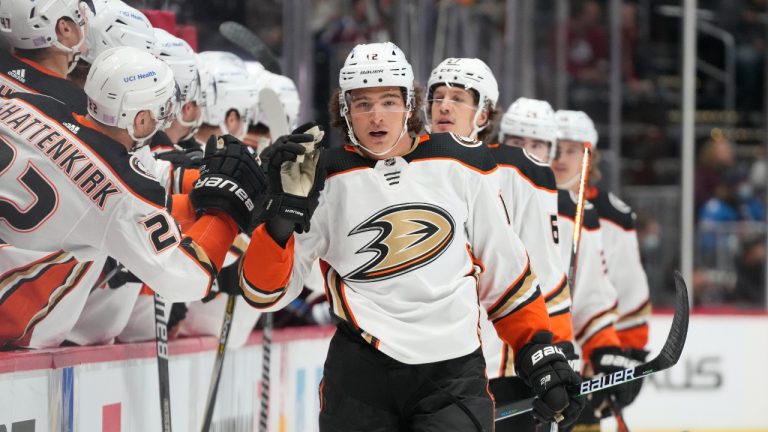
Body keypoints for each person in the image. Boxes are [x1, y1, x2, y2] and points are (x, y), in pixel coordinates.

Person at [238, 42, 582, 431]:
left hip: (452, 370)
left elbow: (507, 277)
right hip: (361, 378)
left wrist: (538, 350)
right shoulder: (322, 177)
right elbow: (264, 293)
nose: (376, 115)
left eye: (388, 100)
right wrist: (279, 221)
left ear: (410, 103)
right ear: (345, 111)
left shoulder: (462, 163)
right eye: (362, 103)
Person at [0, 47, 265, 348]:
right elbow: (185, 278)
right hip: (11, 321)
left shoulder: (25, 104)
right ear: (139, 121)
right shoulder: (121, 191)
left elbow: (145, 180)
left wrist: (199, 184)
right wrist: (227, 214)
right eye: (162, 111)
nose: (165, 122)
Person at [426, 59, 578, 430]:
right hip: (423, 365)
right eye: (438, 96)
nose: (445, 106)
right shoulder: (405, 164)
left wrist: (556, 353)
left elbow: (545, 273)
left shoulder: (518, 170)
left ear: (484, 113)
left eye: (459, 98)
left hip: (502, 366)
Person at [553, 109, 648, 426]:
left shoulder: (611, 216)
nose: (561, 159)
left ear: (589, 156)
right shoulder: (517, 199)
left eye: (571, 150)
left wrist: (627, 357)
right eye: (554, 148)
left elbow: (629, 291)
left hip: (586, 366)